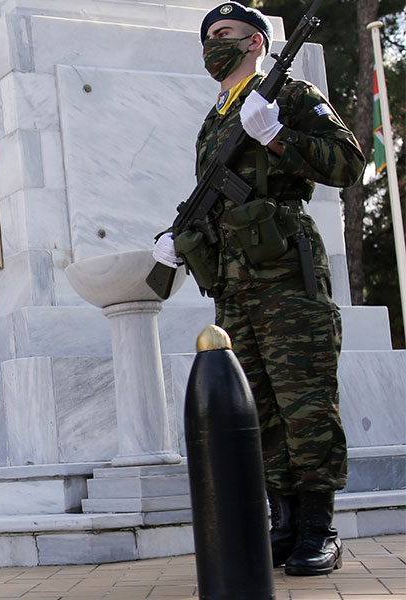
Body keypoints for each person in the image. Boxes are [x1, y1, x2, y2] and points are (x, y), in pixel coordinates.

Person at [152, 2, 365, 577]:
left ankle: (319, 528)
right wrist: (178, 236)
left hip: (287, 277)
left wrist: (276, 136)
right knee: (261, 411)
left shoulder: (289, 98)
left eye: (225, 34)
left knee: (305, 403)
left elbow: (349, 163)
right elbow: (215, 197)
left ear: (256, 43)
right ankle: (285, 523)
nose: (213, 44)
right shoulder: (213, 118)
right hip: (235, 287)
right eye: (208, 37)